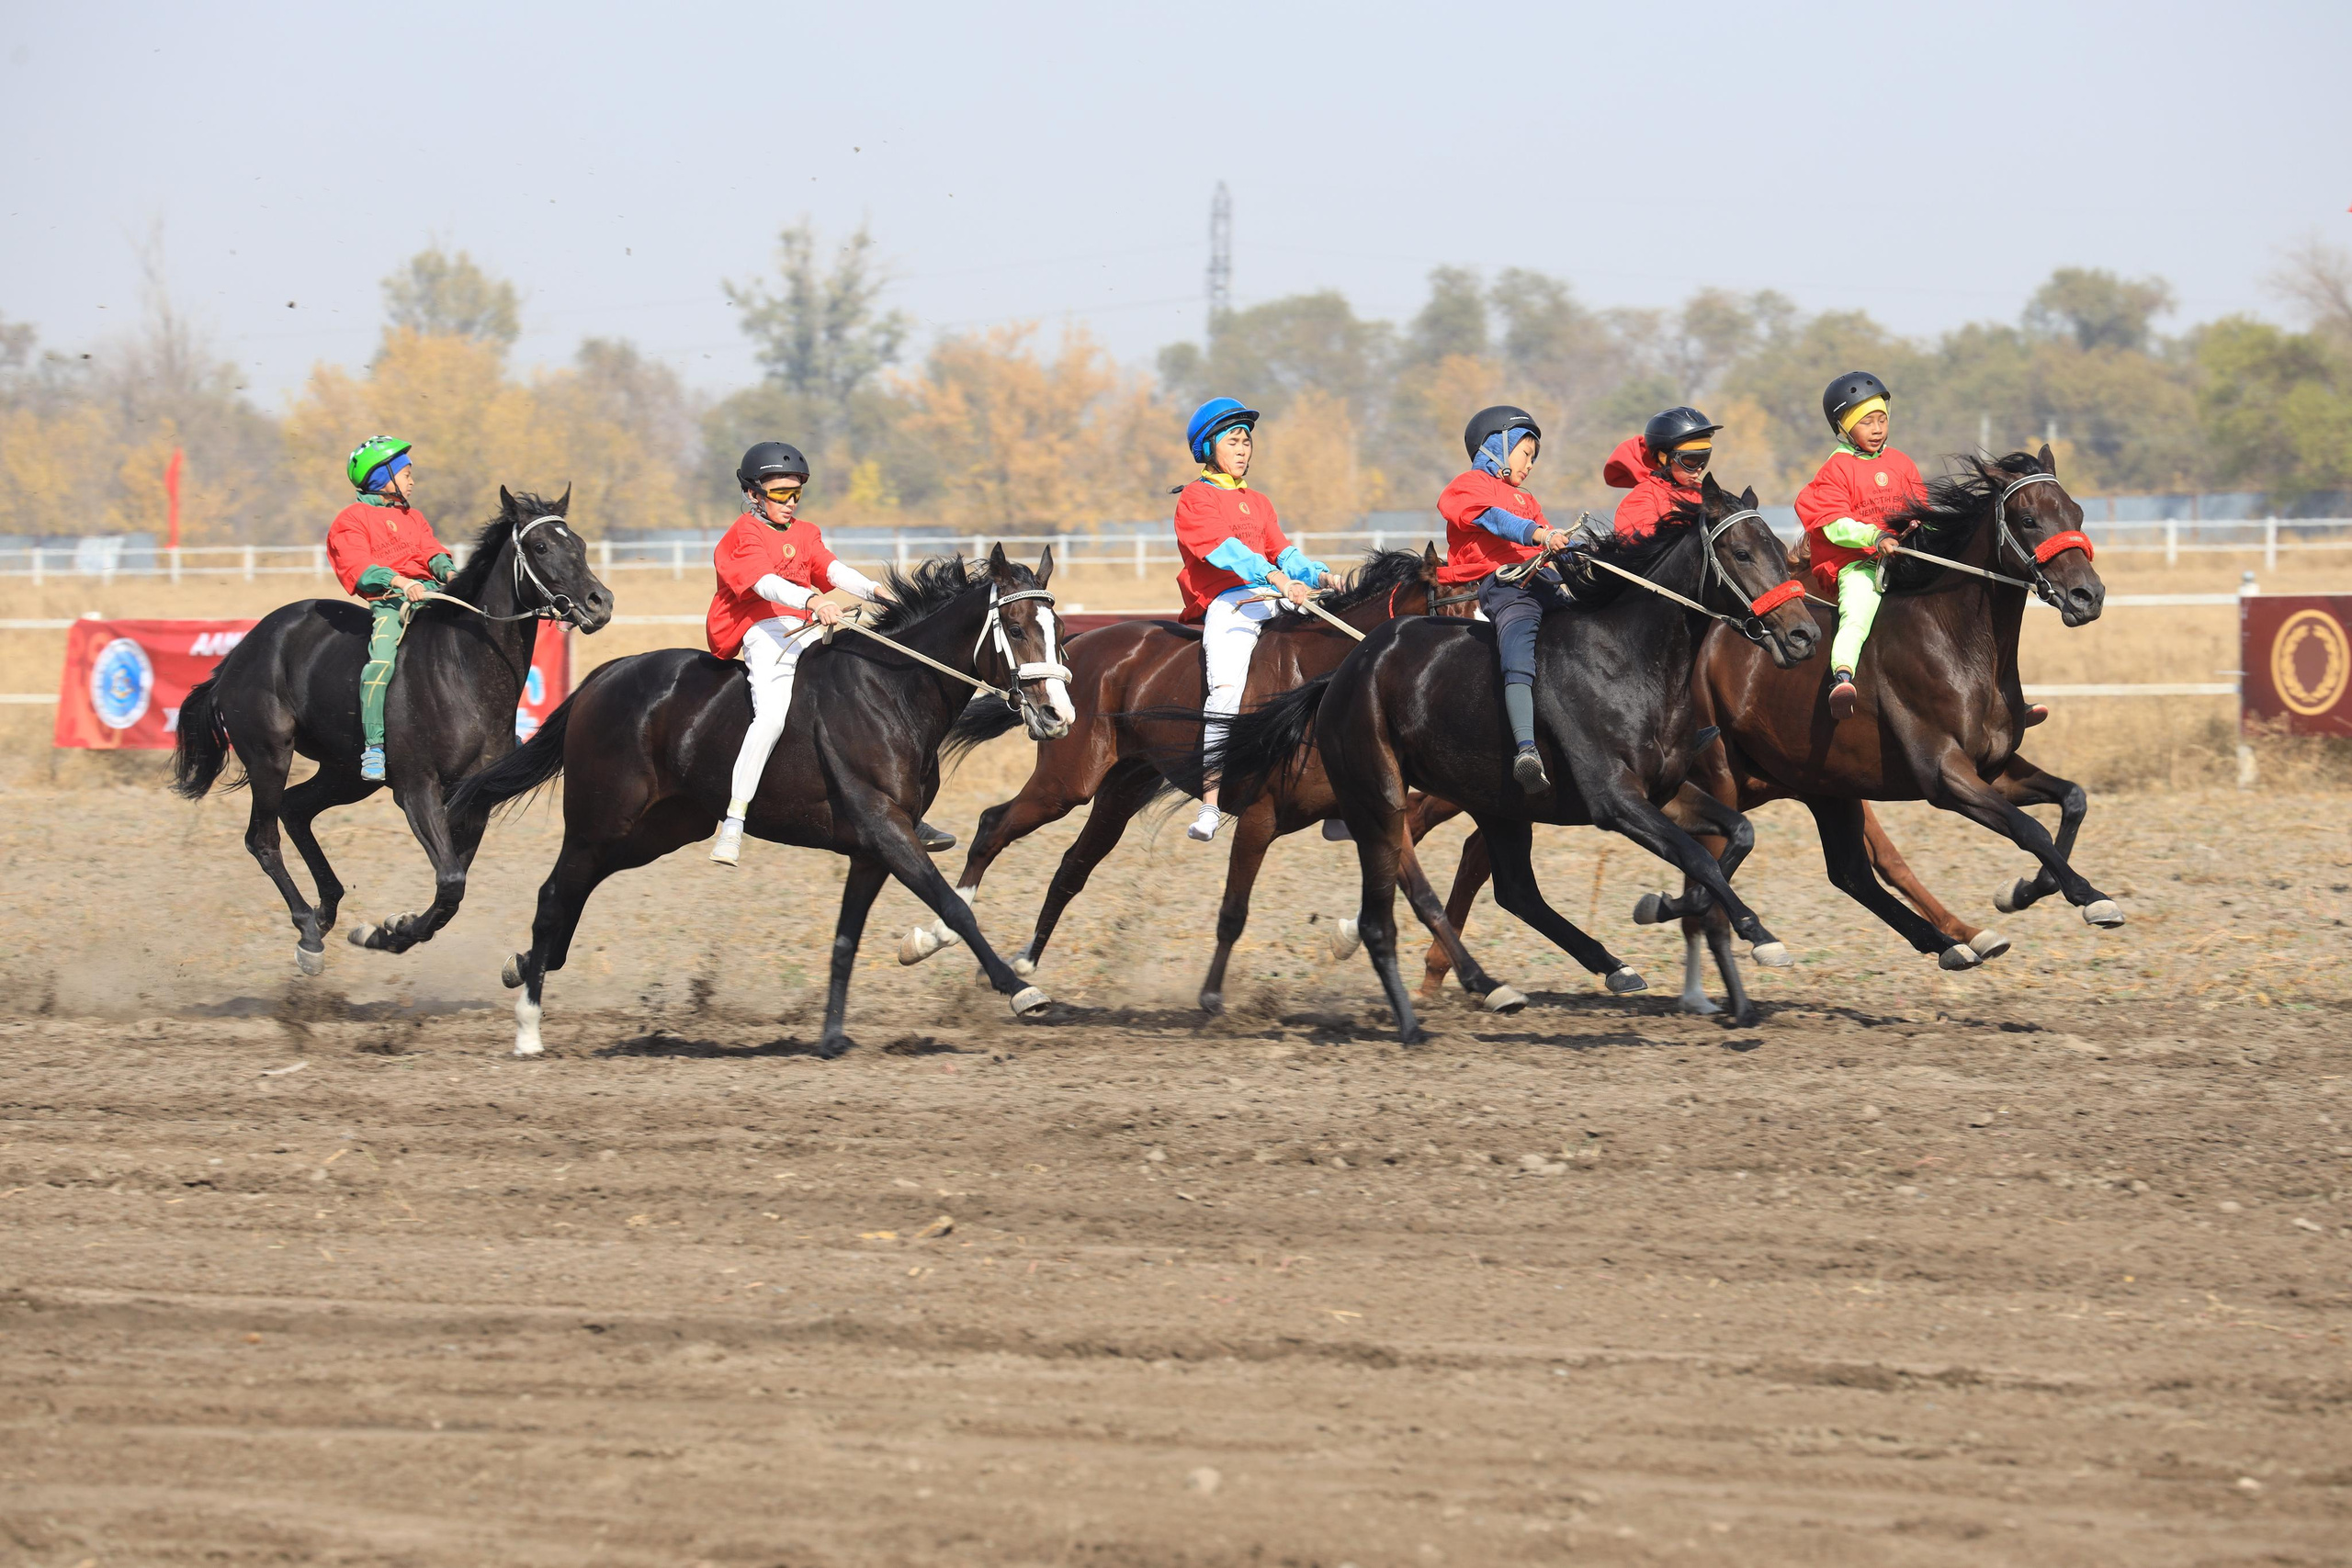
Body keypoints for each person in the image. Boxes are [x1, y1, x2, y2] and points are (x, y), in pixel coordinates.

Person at [706, 441, 952, 866]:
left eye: (796, 492)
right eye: (780, 493)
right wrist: (813, 600)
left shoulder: (806, 532)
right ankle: (734, 820)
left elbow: (832, 569)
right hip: (763, 631)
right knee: (772, 717)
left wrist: (875, 591)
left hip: (806, 626)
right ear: (752, 494)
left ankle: (905, 811)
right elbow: (764, 583)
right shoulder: (743, 535)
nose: (791, 501)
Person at [1172, 396, 1337, 842]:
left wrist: (1321, 575)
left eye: (1246, 442)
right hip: (1230, 603)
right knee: (1225, 695)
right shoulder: (1195, 498)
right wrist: (1276, 578)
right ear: (1209, 448)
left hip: (1272, 596)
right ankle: (1210, 802)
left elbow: (1283, 550)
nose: (1243, 449)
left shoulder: (1259, 502)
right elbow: (1227, 551)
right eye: (1233, 441)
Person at [1438, 404, 1571, 793]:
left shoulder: (1526, 499)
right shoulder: (1466, 486)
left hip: (1543, 580)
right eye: (1525, 454)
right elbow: (1494, 519)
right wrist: (1539, 534)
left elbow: (1548, 537)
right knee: (1518, 646)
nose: (1530, 465)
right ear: (1497, 446)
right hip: (1504, 585)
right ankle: (1526, 750)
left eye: (1534, 459)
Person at [1794, 372, 1927, 721]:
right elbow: (1835, 525)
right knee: (1858, 612)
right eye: (1866, 422)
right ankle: (1843, 677)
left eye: (1882, 419)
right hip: (1860, 564)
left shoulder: (1901, 462)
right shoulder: (1835, 469)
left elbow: (1921, 508)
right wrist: (1875, 537)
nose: (1877, 429)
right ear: (1844, 427)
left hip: (1907, 558)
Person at [326, 435, 455, 782]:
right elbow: (359, 568)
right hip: (391, 604)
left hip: (431, 596)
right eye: (406, 474)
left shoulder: (412, 516)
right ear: (383, 477)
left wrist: (451, 574)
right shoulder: (351, 519)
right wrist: (401, 582)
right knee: (380, 663)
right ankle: (374, 747)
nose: (412, 481)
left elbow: (432, 552)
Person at [1602, 406, 1724, 540]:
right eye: (1691, 460)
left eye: (1704, 459)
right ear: (1663, 457)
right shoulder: (1641, 499)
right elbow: (1640, 545)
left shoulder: (1704, 494)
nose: (1699, 468)